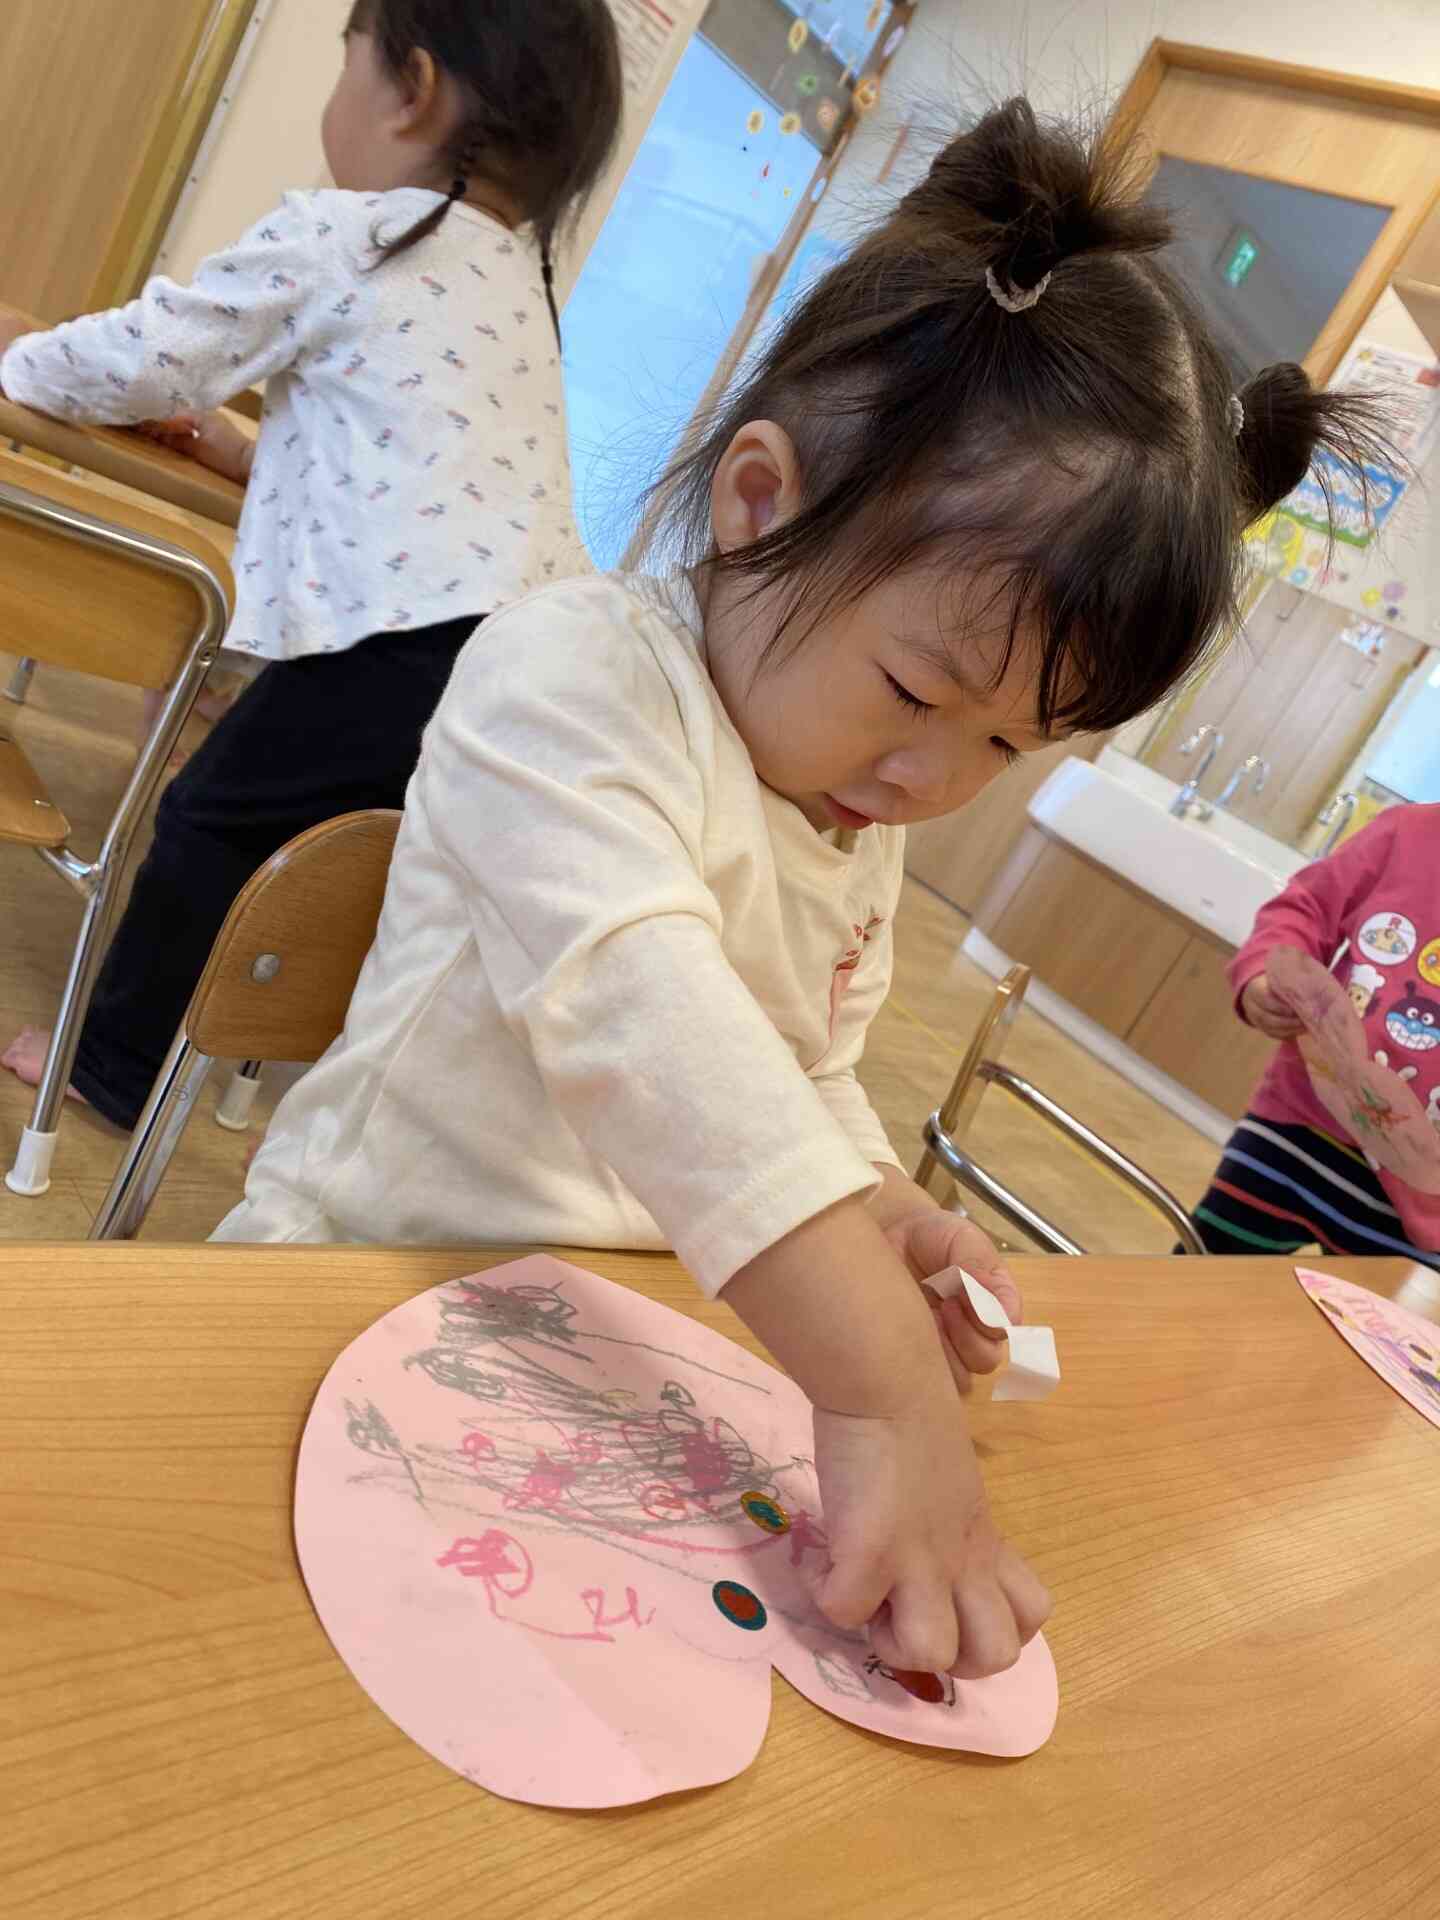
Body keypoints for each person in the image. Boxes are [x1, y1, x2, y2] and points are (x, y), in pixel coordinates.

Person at [214, 99, 1384, 1678]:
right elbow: (651, 1021)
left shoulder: (847, 807)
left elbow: (806, 1066)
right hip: (346, 1287)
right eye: (918, 691)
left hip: (593, 1351)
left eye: (1009, 746)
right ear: (760, 502)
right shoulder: (574, 675)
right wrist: (878, 1375)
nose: (933, 779)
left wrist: (880, 1205)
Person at [0, 0, 623, 1130]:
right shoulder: (521, 289)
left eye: (349, 61)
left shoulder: (351, 235)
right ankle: (260, 1068)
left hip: (400, 643)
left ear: (412, 88)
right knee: (353, 866)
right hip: (529, 657)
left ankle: (112, 1068)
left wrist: (21, 360)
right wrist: (246, 452)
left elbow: (149, 355)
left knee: (209, 821)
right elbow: (413, 459)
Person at [1192, 803, 1440, 1268]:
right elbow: (1302, 909)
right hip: (1299, 1124)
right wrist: (1265, 974)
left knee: (1377, 1319)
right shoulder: (1408, 831)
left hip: (1425, 1201)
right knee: (1199, 1280)